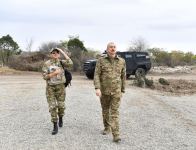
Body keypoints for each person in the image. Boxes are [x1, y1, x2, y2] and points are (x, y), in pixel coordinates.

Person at [94, 42, 126, 143]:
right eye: (110, 47)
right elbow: (96, 75)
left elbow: (123, 76)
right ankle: (107, 127)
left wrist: (123, 90)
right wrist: (97, 88)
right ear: (107, 49)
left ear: (116, 49)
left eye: (114, 47)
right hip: (104, 91)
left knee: (114, 113)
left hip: (116, 91)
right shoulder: (101, 61)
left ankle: (116, 135)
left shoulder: (121, 61)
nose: (112, 49)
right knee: (105, 110)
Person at [42, 48, 73, 135]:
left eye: (57, 53)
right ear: (50, 54)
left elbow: (70, 63)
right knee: (52, 106)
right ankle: (55, 125)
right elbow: (44, 77)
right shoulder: (47, 64)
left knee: (61, 106)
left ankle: (61, 117)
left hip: (61, 87)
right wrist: (54, 74)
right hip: (50, 88)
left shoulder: (61, 62)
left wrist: (63, 52)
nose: (55, 54)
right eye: (53, 53)